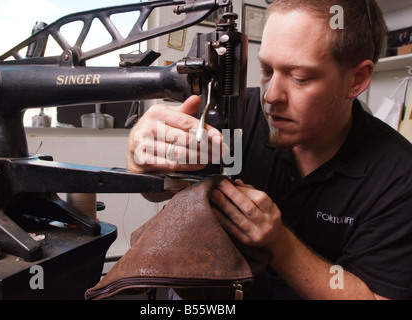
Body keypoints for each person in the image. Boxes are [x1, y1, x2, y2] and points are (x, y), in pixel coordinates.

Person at [126, 0, 412, 300]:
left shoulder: (398, 178)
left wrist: (280, 244)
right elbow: (157, 190)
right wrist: (141, 155)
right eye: (266, 70)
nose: (271, 96)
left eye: (300, 77)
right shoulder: (234, 111)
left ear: (357, 79)